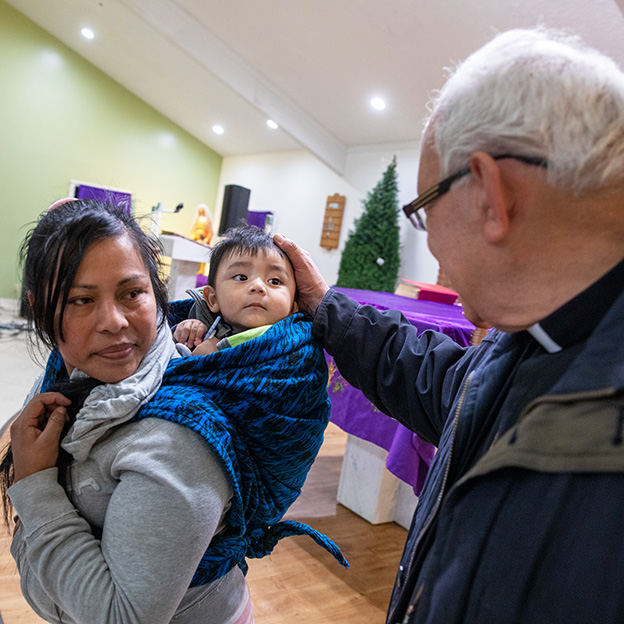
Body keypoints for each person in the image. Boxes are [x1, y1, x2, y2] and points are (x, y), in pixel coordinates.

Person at [275, 28, 624, 624]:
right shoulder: (537, 334)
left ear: (491, 195)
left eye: (424, 213)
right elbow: (449, 384)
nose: (431, 252)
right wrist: (325, 306)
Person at [1, 200, 344, 624]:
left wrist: (35, 485)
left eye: (131, 293)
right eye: (80, 300)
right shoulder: (80, 371)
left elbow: (124, 617)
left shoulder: (177, 439)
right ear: (39, 309)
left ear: (155, 289)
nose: (114, 321)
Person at [172, 225, 299, 355]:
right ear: (213, 299)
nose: (258, 286)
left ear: (293, 306)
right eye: (241, 277)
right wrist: (186, 331)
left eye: (274, 281)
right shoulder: (203, 328)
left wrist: (215, 361)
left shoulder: (298, 344)